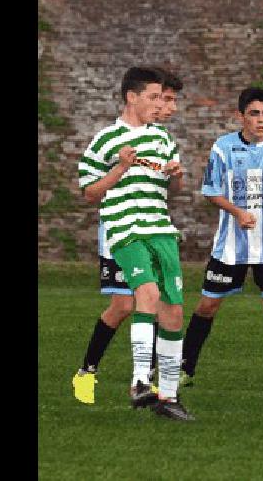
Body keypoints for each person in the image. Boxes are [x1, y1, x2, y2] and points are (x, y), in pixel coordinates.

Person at [74, 66, 192, 420]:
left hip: (161, 229)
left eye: (163, 98)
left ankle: (168, 398)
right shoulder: (106, 139)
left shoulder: (163, 140)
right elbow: (89, 193)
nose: (160, 105)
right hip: (126, 230)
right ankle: (139, 381)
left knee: (172, 311)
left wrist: (177, 178)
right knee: (143, 298)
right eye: (154, 97)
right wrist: (119, 169)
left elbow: (173, 193)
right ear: (132, 97)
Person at [178, 87, 263, 390]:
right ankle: (184, 367)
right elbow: (211, 191)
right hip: (231, 247)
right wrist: (236, 212)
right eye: (254, 114)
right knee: (208, 306)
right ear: (241, 116)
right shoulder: (223, 148)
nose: (261, 120)